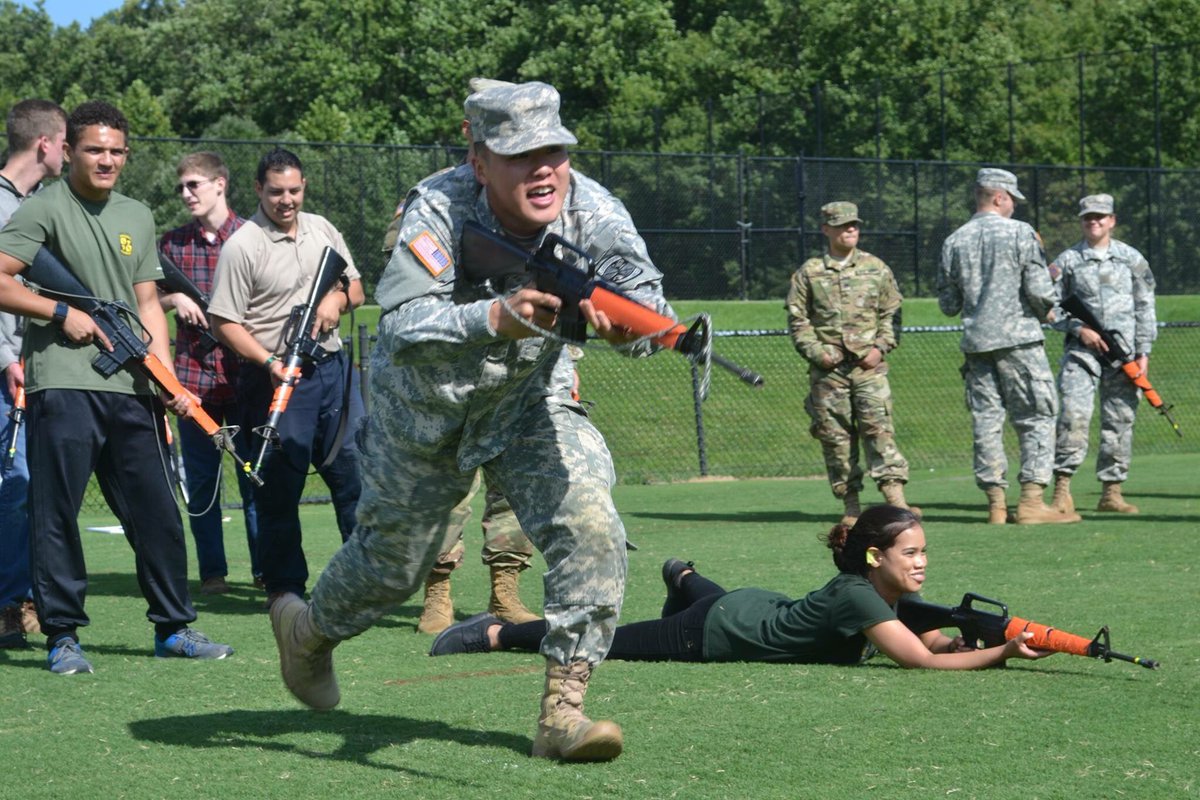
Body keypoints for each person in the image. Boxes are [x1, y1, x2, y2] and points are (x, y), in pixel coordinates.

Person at [270, 80, 674, 763]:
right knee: (390, 572)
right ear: (479, 157)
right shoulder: (437, 205)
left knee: (591, 520)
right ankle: (307, 634)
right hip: (424, 414)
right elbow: (399, 326)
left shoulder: (595, 211)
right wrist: (496, 316)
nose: (544, 168)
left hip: (527, 402)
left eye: (555, 150)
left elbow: (647, 309)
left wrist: (629, 331)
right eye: (522, 155)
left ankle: (562, 714)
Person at [0, 100, 234, 673]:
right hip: (62, 384)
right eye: (94, 149)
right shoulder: (42, 209)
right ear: (71, 151)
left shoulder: (135, 214)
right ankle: (62, 637)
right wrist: (58, 312)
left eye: (115, 151)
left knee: (156, 511)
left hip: (133, 387)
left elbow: (149, 302)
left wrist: (166, 378)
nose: (106, 159)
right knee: (56, 514)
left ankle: (174, 628)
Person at [430, 504, 1054, 670]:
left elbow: (941, 642)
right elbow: (920, 658)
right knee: (606, 642)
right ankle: (497, 632)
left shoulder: (884, 597)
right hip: (717, 632)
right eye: (910, 553)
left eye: (924, 553)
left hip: (748, 606)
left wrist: (1008, 639)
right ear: (873, 556)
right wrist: (999, 652)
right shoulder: (862, 597)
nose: (921, 564)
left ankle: (683, 575)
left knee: (702, 591)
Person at [208, 147, 364, 605]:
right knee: (278, 489)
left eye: (294, 190)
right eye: (276, 191)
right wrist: (269, 363)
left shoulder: (323, 229)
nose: (286, 200)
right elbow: (224, 322)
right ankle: (286, 590)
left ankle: (361, 584)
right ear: (258, 190)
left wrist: (336, 302)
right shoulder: (243, 245)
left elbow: (354, 285)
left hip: (333, 370)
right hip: (276, 377)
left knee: (353, 478)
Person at [937, 168, 1080, 525]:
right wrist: (1048, 305)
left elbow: (948, 303)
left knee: (986, 420)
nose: (1014, 206)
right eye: (1012, 199)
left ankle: (996, 505)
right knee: (1036, 416)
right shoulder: (1021, 234)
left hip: (976, 344)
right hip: (1019, 341)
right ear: (999, 197)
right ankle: (1032, 502)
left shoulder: (954, 240)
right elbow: (1039, 291)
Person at [158, 151, 260, 595]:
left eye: (194, 184)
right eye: (182, 187)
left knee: (256, 480)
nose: (186, 194)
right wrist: (172, 300)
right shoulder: (172, 244)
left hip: (246, 381)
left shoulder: (253, 236)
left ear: (221, 184)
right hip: (192, 385)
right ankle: (213, 575)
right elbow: (139, 296)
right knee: (201, 489)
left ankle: (266, 573)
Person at [787, 201, 917, 525]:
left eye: (854, 225)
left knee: (880, 430)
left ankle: (896, 502)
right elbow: (797, 320)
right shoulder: (810, 272)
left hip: (869, 368)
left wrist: (881, 348)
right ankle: (851, 507)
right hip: (829, 374)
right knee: (836, 439)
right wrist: (819, 353)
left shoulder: (877, 268)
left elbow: (892, 312)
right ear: (826, 229)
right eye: (843, 225)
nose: (851, 230)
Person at [0, 99, 67, 649]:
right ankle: (10, 604)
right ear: (44, 144)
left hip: (32, 368)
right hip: (8, 372)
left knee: (24, 489)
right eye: (66, 141)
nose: (69, 152)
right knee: (15, 486)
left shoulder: (39, 204)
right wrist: (7, 359)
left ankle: (21, 601)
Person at [1049, 194, 1157, 515]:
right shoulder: (1067, 261)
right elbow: (1049, 307)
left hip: (1123, 355)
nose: (1093, 222)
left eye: (1100, 217)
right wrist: (1078, 328)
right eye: (1087, 218)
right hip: (1082, 352)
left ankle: (1111, 491)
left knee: (1120, 418)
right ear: (1081, 222)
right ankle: (1062, 491)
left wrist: (1143, 353)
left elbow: (1145, 307)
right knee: (1073, 415)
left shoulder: (1131, 259)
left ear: (1112, 220)